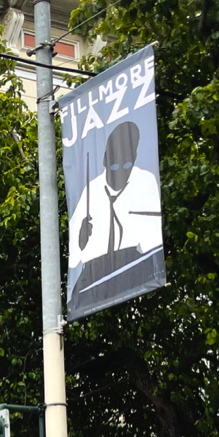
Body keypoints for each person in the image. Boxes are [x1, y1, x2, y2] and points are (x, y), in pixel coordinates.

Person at [67, 120, 164, 308]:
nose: (120, 173)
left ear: (135, 159)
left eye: (127, 166)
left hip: (131, 260)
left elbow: (153, 242)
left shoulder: (145, 181)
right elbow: (74, 258)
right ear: (105, 160)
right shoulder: (90, 190)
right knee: (74, 303)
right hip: (96, 268)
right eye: (113, 167)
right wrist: (80, 241)